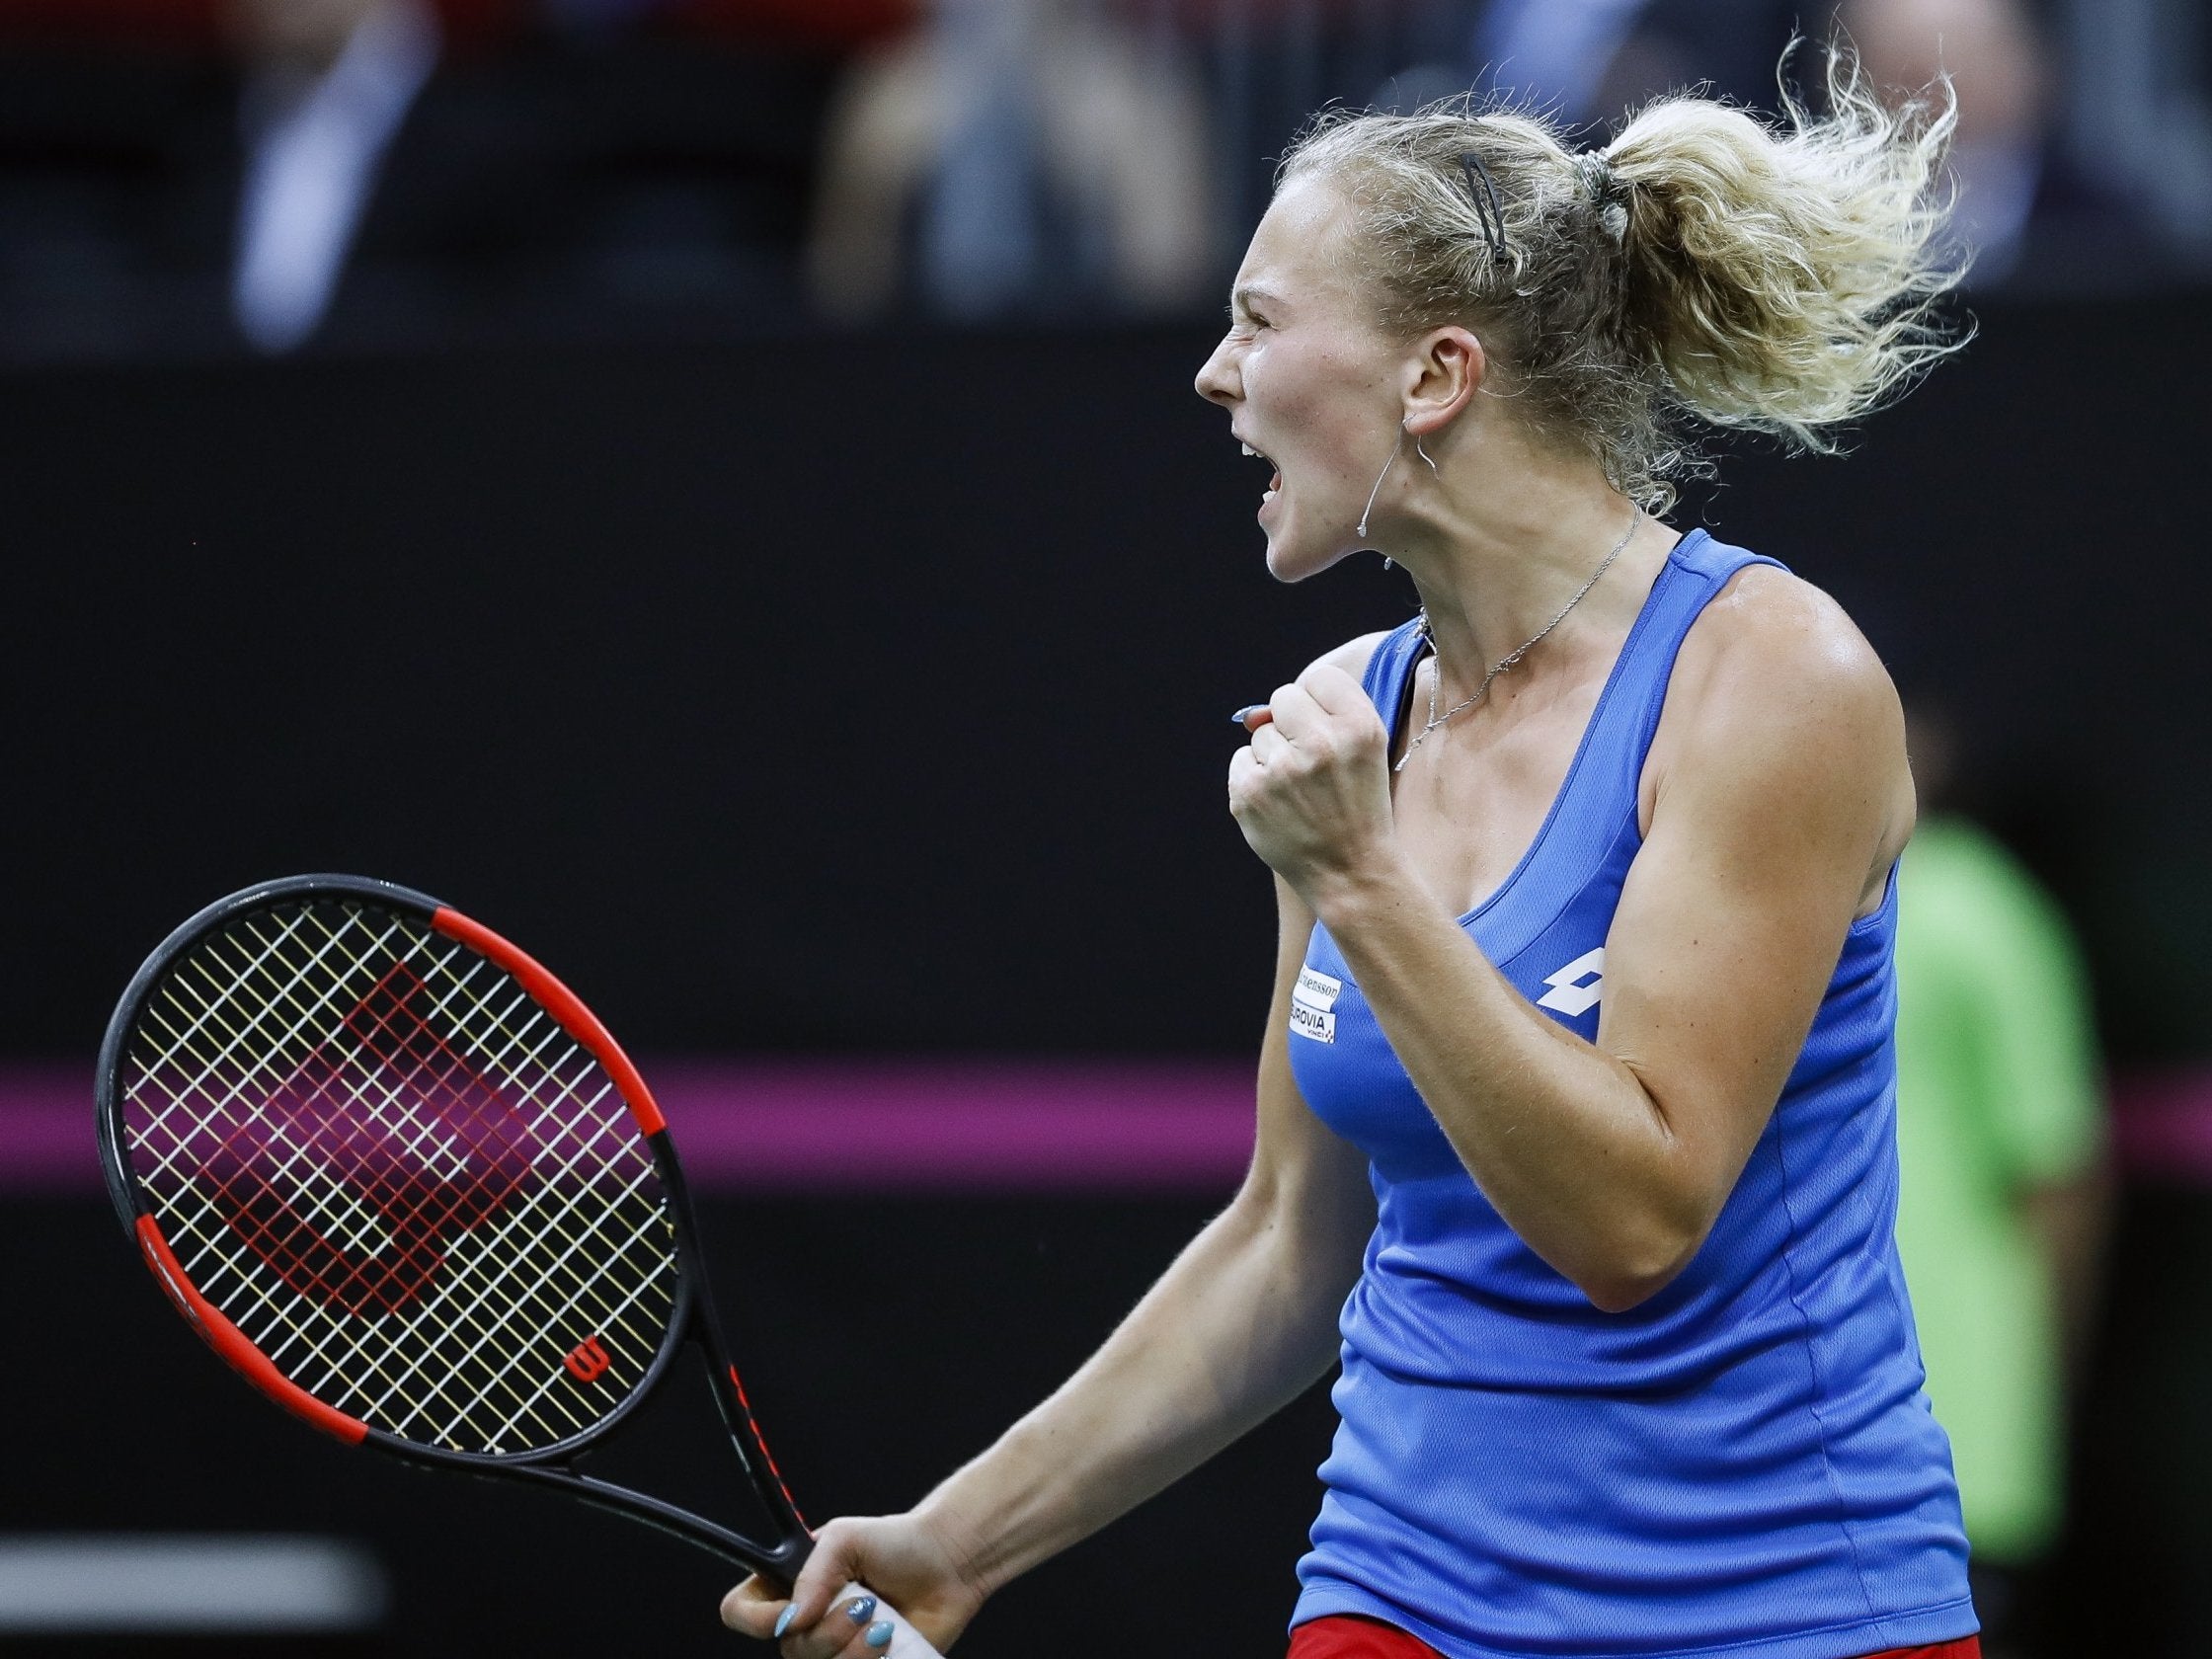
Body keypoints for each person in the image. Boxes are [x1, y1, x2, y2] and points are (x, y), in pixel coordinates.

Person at [725, 49, 1979, 1659]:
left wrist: (1370, 887)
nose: (1211, 374)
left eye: (1258, 318)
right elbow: (1288, 1243)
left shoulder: (1773, 680)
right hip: (1403, 1602)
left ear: (1434, 377)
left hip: (1787, 1615)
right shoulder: (1346, 720)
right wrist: (958, 1545)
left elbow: (1633, 1225)